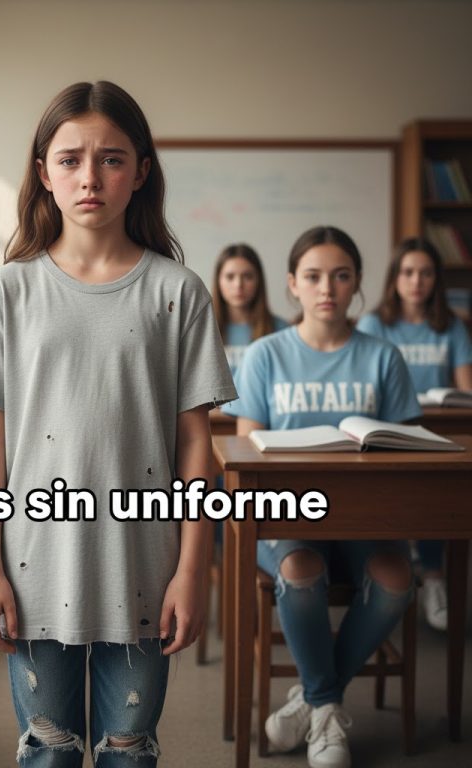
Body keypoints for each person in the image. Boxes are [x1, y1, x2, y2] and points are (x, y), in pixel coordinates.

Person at [0, 80, 236, 766]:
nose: (90, 176)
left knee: (129, 751)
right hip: (32, 565)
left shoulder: (179, 292)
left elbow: (196, 443)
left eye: (111, 158)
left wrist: (193, 570)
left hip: (143, 563)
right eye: (70, 158)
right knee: (47, 751)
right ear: (43, 172)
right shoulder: (9, 291)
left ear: (140, 172)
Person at [223, 225, 418, 768]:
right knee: (302, 568)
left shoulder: (384, 356)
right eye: (312, 276)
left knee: (396, 578)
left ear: (357, 283)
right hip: (286, 514)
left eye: (340, 275)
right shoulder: (264, 355)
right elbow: (246, 454)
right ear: (292, 284)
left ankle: (312, 701)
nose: (326, 287)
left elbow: (407, 449)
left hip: (366, 516)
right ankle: (328, 710)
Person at [357, 237, 472, 631]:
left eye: (425, 273)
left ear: (436, 279)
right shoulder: (375, 324)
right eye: (408, 272)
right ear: (395, 278)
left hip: (436, 429)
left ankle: (435, 576)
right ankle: (400, 567)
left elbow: (465, 389)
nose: (416, 281)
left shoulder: (451, 325)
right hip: (389, 428)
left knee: (440, 493)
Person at [212, 242, 288, 376]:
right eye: (230, 277)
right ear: (218, 281)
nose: (238, 285)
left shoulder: (281, 331)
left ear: (259, 280)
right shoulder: (203, 330)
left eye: (247, 276)